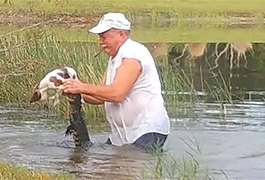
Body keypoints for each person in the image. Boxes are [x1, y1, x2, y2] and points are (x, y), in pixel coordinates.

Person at [62, 12, 170, 151]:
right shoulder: (116, 57)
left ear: (121, 34)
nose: (101, 41)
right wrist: (74, 94)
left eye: (104, 36)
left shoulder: (132, 54)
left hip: (147, 130)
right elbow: (100, 97)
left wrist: (81, 87)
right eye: (100, 37)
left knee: (128, 167)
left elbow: (117, 94)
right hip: (122, 135)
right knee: (107, 166)